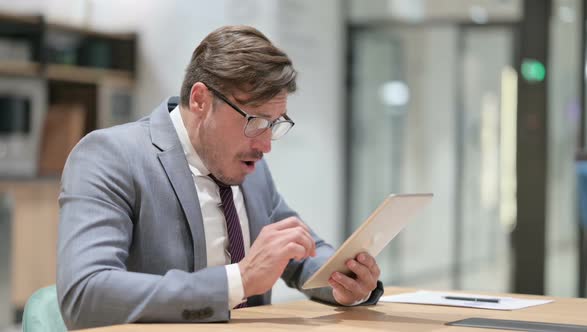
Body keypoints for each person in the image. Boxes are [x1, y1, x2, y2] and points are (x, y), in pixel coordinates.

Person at [57, 25, 383, 330]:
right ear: (200, 100)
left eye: (275, 124)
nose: (266, 145)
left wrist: (344, 281)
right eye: (255, 121)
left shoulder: (248, 165)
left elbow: (299, 252)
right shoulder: (111, 156)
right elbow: (86, 292)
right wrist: (238, 280)